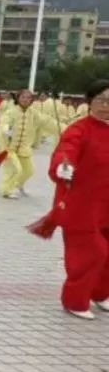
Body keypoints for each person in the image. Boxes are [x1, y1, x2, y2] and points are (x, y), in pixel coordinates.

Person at [45, 80, 109, 320]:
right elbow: (66, 150)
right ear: (90, 101)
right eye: (101, 100)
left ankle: (100, 294)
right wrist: (63, 167)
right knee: (93, 253)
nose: (106, 106)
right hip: (81, 205)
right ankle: (75, 299)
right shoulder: (79, 129)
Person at [0, 89, 63, 199]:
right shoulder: (11, 111)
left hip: (23, 149)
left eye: (28, 97)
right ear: (18, 98)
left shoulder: (34, 113)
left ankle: (17, 185)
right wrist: (6, 129)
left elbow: (47, 122)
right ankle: (6, 190)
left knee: (29, 171)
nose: (26, 100)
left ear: (31, 99)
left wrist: (66, 129)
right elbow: (4, 122)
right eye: (23, 97)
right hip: (8, 148)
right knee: (15, 169)